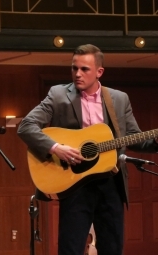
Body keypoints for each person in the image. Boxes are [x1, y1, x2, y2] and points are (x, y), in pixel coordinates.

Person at [17, 44, 158, 255]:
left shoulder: (119, 99)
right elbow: (26, 126)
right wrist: (55, 148)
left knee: (112, 248)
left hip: (111, 183)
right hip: (76, 183)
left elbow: (133, 140)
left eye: (85, 69)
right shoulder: (58, 95)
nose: (77, 74)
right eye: (74, 68)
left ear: (99, 72)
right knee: (71, 249)